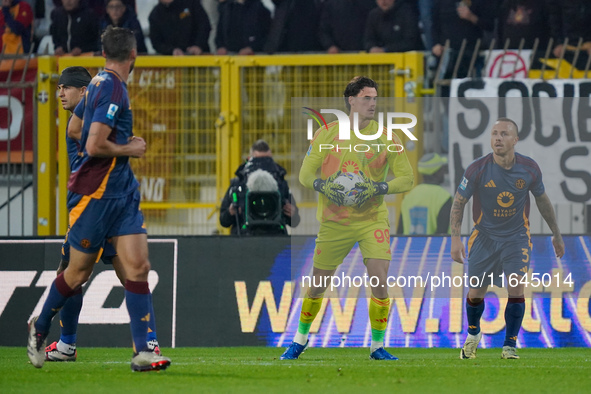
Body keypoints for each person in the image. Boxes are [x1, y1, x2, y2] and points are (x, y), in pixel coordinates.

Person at [27, 26, 171, 372]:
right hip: (95, 195)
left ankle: (144, 351)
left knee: (138, 267)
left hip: (121, 192)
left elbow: (76, 132)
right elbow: (92, 144)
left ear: (104, 54)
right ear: (134, 55)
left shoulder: (97, 86)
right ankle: (41, 326)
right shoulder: (111, 89)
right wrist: (129, 149)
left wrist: (106, 158)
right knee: (76, 274)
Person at [280, 76, 414, 360]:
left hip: (372, 219)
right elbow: (305, 174)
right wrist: (322, 185)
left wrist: (379, 187)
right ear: (351, 100)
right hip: (334, 221)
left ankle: (377, 346)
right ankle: (300, 339)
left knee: (379, 278)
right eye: (367, 98)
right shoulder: (326, 134)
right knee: (318, 284)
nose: (373, 103)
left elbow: (407, 178)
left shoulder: (388, 137)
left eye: (375, 98)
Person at [44, 66, 160, 362]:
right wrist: (128, 145)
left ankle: (66, 343)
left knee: (77, 274)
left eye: (66, 87)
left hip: (94, 206)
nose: (60, 93)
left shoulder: (85, 122)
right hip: (105, 205)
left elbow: (98, 146)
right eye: (58, 88)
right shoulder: (90, 120)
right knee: (124, 274)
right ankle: (148, 343)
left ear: (84, 92)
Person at [451, 117, 565, 360]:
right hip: (483, 237)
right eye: (494, 133)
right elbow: (458, 203)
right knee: (476, 293)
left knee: (516, 286)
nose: (498, 138)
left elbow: (542, 201)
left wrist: (556, 233)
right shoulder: (477, 168)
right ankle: (473, 335)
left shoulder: (529, 168)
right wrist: (455, 239)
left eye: (504, 134)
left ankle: (509, 346)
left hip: (516, 237)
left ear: (515, 140)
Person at [219, 139, 300, 235]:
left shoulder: (281, 183)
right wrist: (230, 212)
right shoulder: (237, 184)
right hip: (245, 239)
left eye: (267, 161)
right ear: (249, 160)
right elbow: (223, 220)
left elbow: (295, 221)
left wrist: (292, 214)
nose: (263, 166)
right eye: (258, 162)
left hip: (274, 238)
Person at [397, 152, 451, 235]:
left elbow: (399, 233)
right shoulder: (444, 197)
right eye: (442, 169)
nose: (444, 173)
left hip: (410, 247)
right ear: (436, 172)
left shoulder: (409, 197)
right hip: (433, 247)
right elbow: (442, 235)